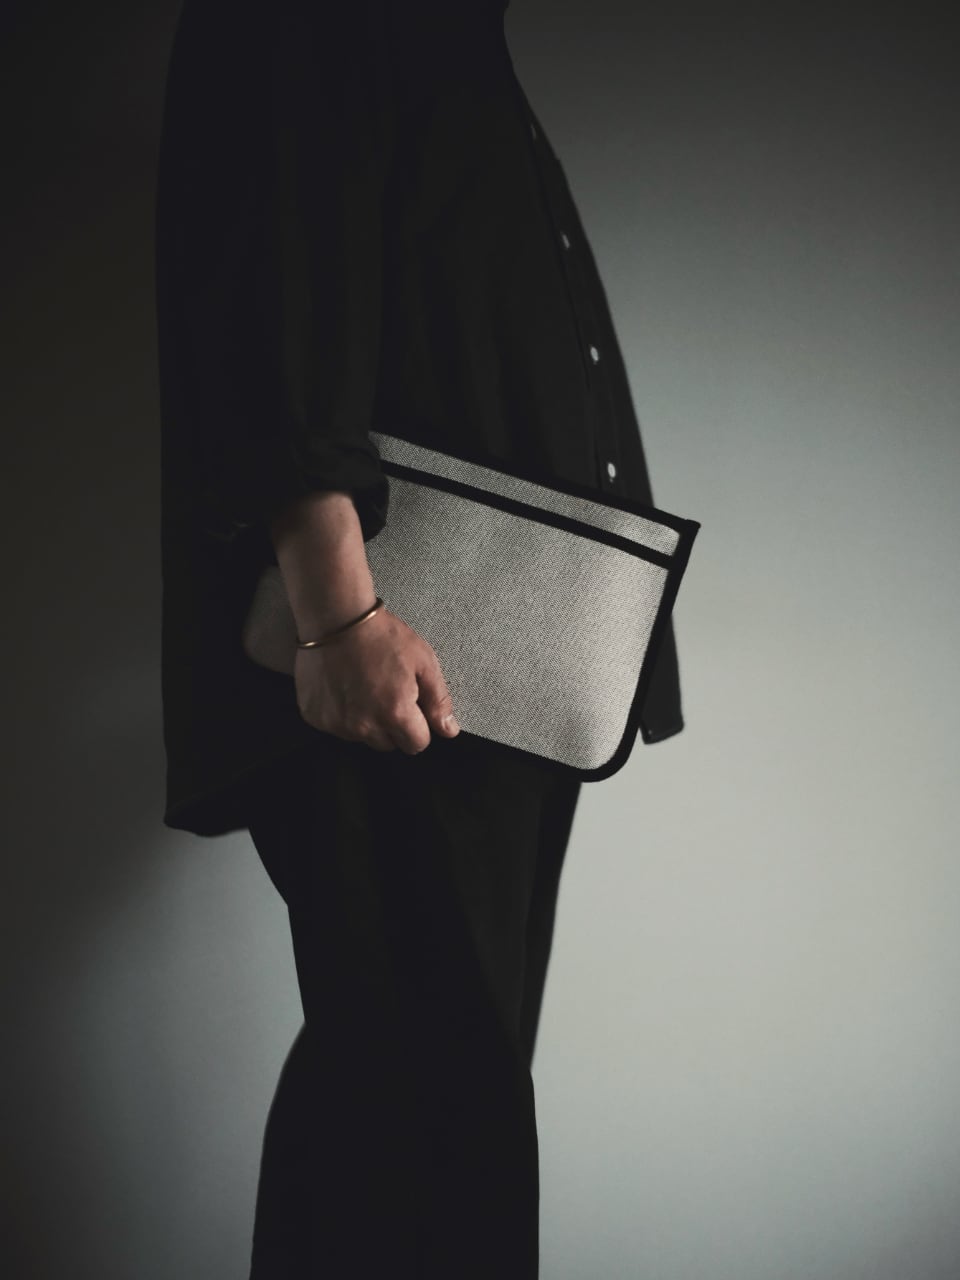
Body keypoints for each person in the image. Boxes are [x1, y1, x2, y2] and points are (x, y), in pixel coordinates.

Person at [154, 1, 686, 1274]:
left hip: (497, 657)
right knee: (428, 1113)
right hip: (408, 654)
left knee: (431, 1107)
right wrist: (339, 611)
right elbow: (274, 257)